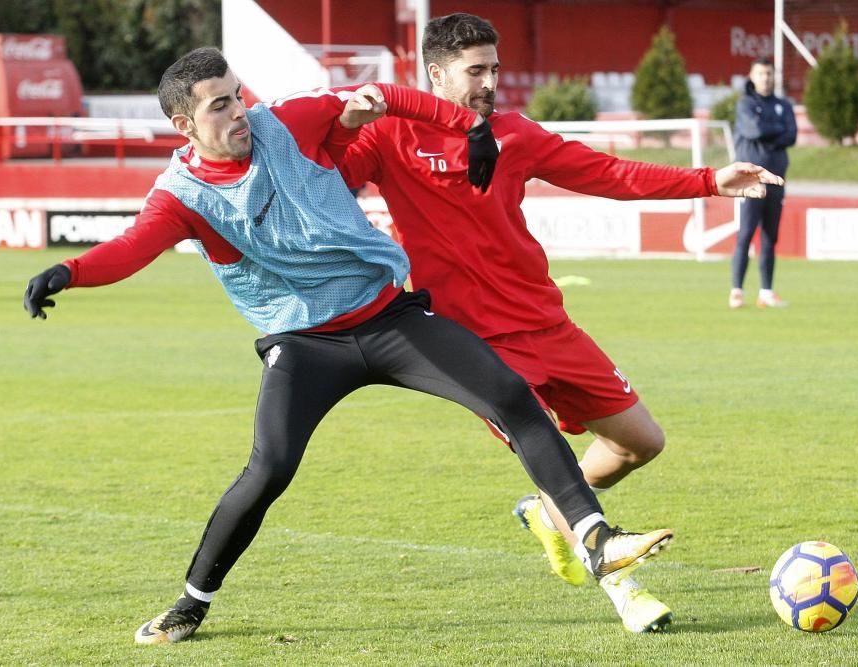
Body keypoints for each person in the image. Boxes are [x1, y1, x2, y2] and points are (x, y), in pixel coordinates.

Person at [22, 47, 675, 645]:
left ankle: (595, 538)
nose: (239, 112)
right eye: (219, 105)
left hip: (389, 318)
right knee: (269, 468)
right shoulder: (181, 196)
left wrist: (465, 124)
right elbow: (133, 248)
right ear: (183, 124)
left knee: (508, 392)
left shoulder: (290, 122)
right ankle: (191, 602)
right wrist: (70, 273)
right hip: (304, 345)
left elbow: (383, 93)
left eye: (238, 95)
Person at [328, 13, 783, 633]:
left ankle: (549, 514)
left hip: (545, 320)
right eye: (475, 71)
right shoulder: (389, 138)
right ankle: (624, 589)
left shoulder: (514, 134)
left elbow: (609, 173)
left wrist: (707, 181)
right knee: (550, 453)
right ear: (434, 75)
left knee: (639, 443)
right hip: (469, 341)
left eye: (494, 68)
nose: (489, 81)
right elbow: (325, 176)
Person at [730, 57, 797, 309]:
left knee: (770, 237)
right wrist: (777, 130)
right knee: (745, 234)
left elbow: (792, 135)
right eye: (761, 73)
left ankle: (766, 292)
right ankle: (736, 291)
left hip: (777, 179)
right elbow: (754, 131)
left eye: (769, 73)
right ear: (752, 76)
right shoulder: (745, 104)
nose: (765, 78)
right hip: (749, 181)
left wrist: (772, 130)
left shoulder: (783, 105)